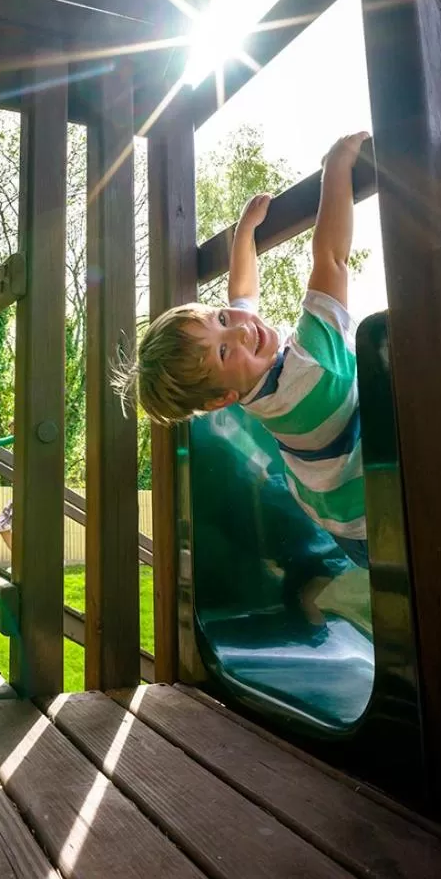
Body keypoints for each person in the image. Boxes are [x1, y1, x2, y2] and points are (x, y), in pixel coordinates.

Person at [114, 132, 371, 621]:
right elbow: (331, 257)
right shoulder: (312, 367)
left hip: (340, 519)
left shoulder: (249, 386)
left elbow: (241, 297)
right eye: (226, 349)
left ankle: (331, 594)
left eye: (221, 321)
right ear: (220, 399)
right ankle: (328, 595)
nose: (243, 329)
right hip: (375, 523)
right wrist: (337, 167)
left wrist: (243, 235)